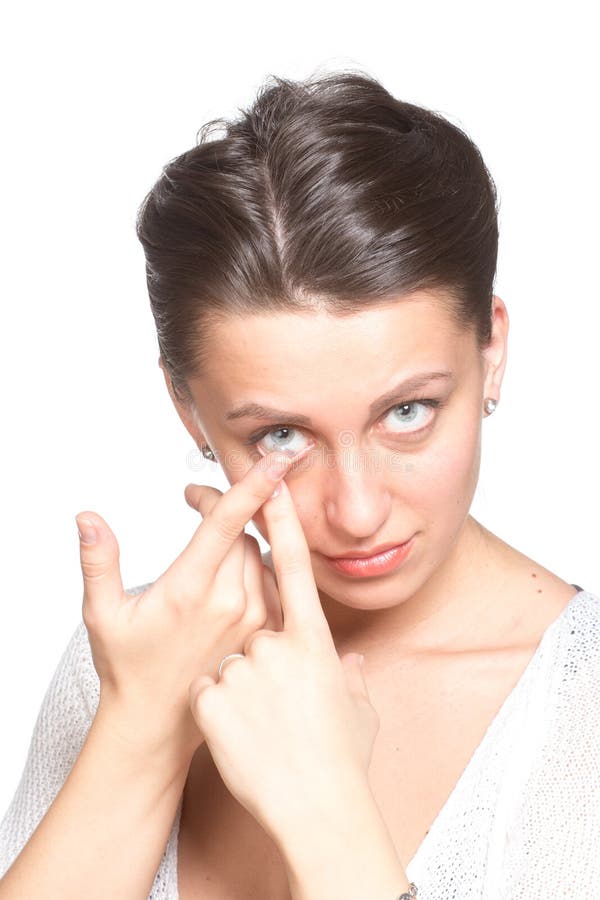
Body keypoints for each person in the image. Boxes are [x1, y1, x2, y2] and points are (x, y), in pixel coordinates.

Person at [0, 69, 598, 900]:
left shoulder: (585, 711)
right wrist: (141, 727)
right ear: (188, 407)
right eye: (281, 437)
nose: (357, 511)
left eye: (409, 412)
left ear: (490, 351)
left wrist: (329, 819)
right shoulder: (142, 661)